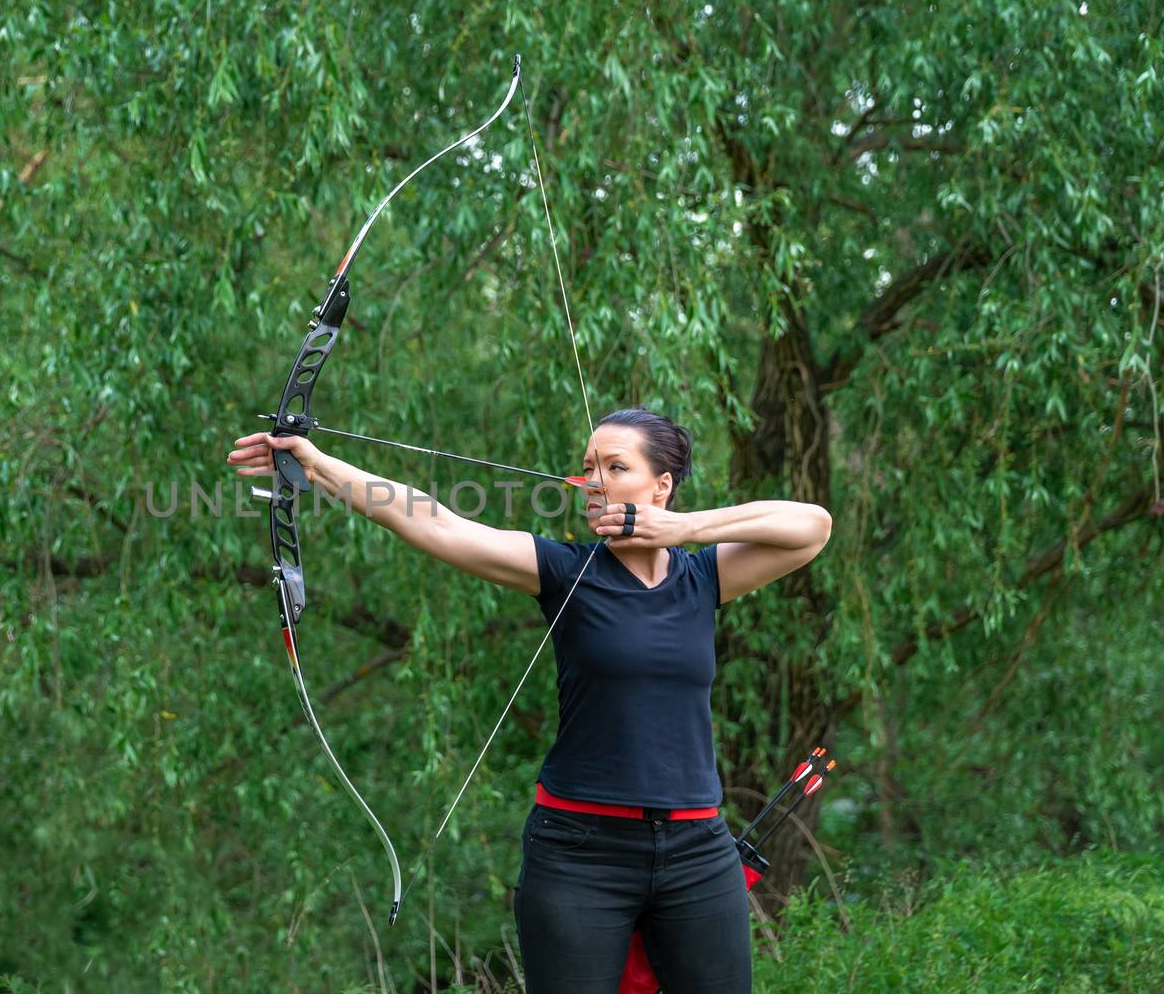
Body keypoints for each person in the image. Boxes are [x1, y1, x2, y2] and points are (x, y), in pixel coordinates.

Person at [228, 406, 831, 993]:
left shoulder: (704, 578)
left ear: (662, 484)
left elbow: (813, 526)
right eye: (587, 466)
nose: (591, 481)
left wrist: (686, 529)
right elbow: (432, 521)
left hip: (698, 849)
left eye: (615, 467)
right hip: (580, 851)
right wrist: (315, 464)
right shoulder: (564, 571)